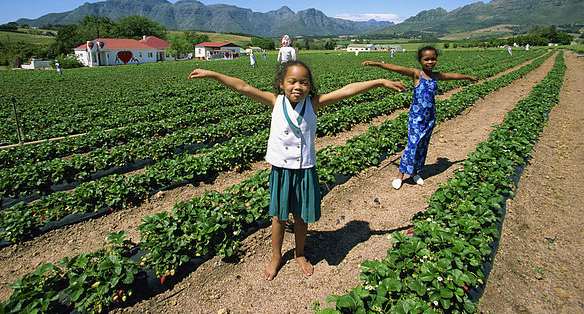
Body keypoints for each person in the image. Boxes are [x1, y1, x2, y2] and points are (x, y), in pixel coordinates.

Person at [188, 61, 406, 280]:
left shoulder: (313, 104)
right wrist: (213, 74)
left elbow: (347, 91)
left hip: (304, 171)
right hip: (281, 171)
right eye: (292, 81)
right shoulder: (274, 101)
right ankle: (276, 257)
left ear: (310, 86)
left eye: (304, 82)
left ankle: (299, 254)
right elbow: (242, 87)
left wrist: (380, 81)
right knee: (279, 217)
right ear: (282, 84)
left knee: (301, 218)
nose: (297, 87)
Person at [362, 46, 477, 190]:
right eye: (426, 59)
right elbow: (396, 68)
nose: (430, 62)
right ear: (420, 60)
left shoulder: (436, 76)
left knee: (423, 145)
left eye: (433, 59)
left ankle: (416, 172)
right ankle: (400, 175)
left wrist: (469, 77)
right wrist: (377, 64)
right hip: (417, 117)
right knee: (413, 144)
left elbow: (453, 76)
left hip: (430, 116)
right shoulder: (417, 75)